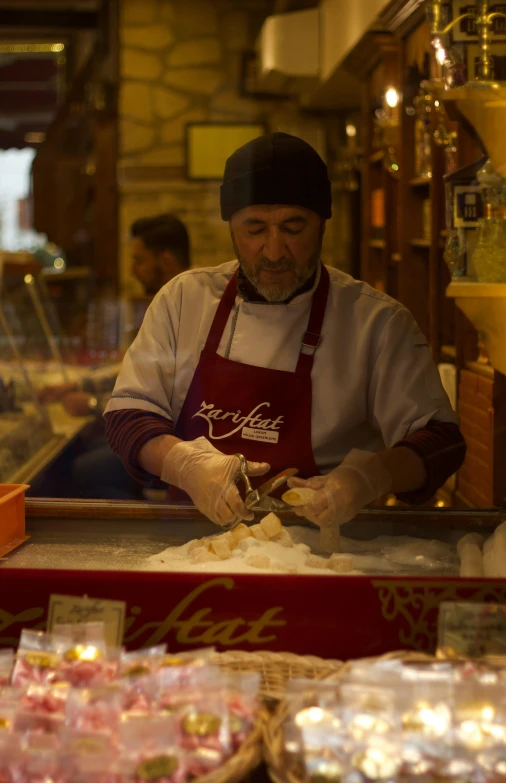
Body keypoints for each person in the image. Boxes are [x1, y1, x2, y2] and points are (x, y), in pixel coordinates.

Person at [105, 132, 466, 529]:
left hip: (326, 555)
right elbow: (128, 415)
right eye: (254, 229)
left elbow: (441, 443)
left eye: (294, 228)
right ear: (230, 226)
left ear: (323, 223)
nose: (274, 251)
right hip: (190, 544)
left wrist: (371, 476)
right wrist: (184, 464)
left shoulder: (375, 323)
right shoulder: (183, 301)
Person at [38, 213, 190, 499]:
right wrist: (78, 386)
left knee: (81, 468)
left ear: (166, 262)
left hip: (170, 444)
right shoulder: (165, 305)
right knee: (80, 449)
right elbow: (133, 368)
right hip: (154, 435)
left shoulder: (189, 314)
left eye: (139, 260)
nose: (132, 270)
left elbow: (168, 405)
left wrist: (94, 404)